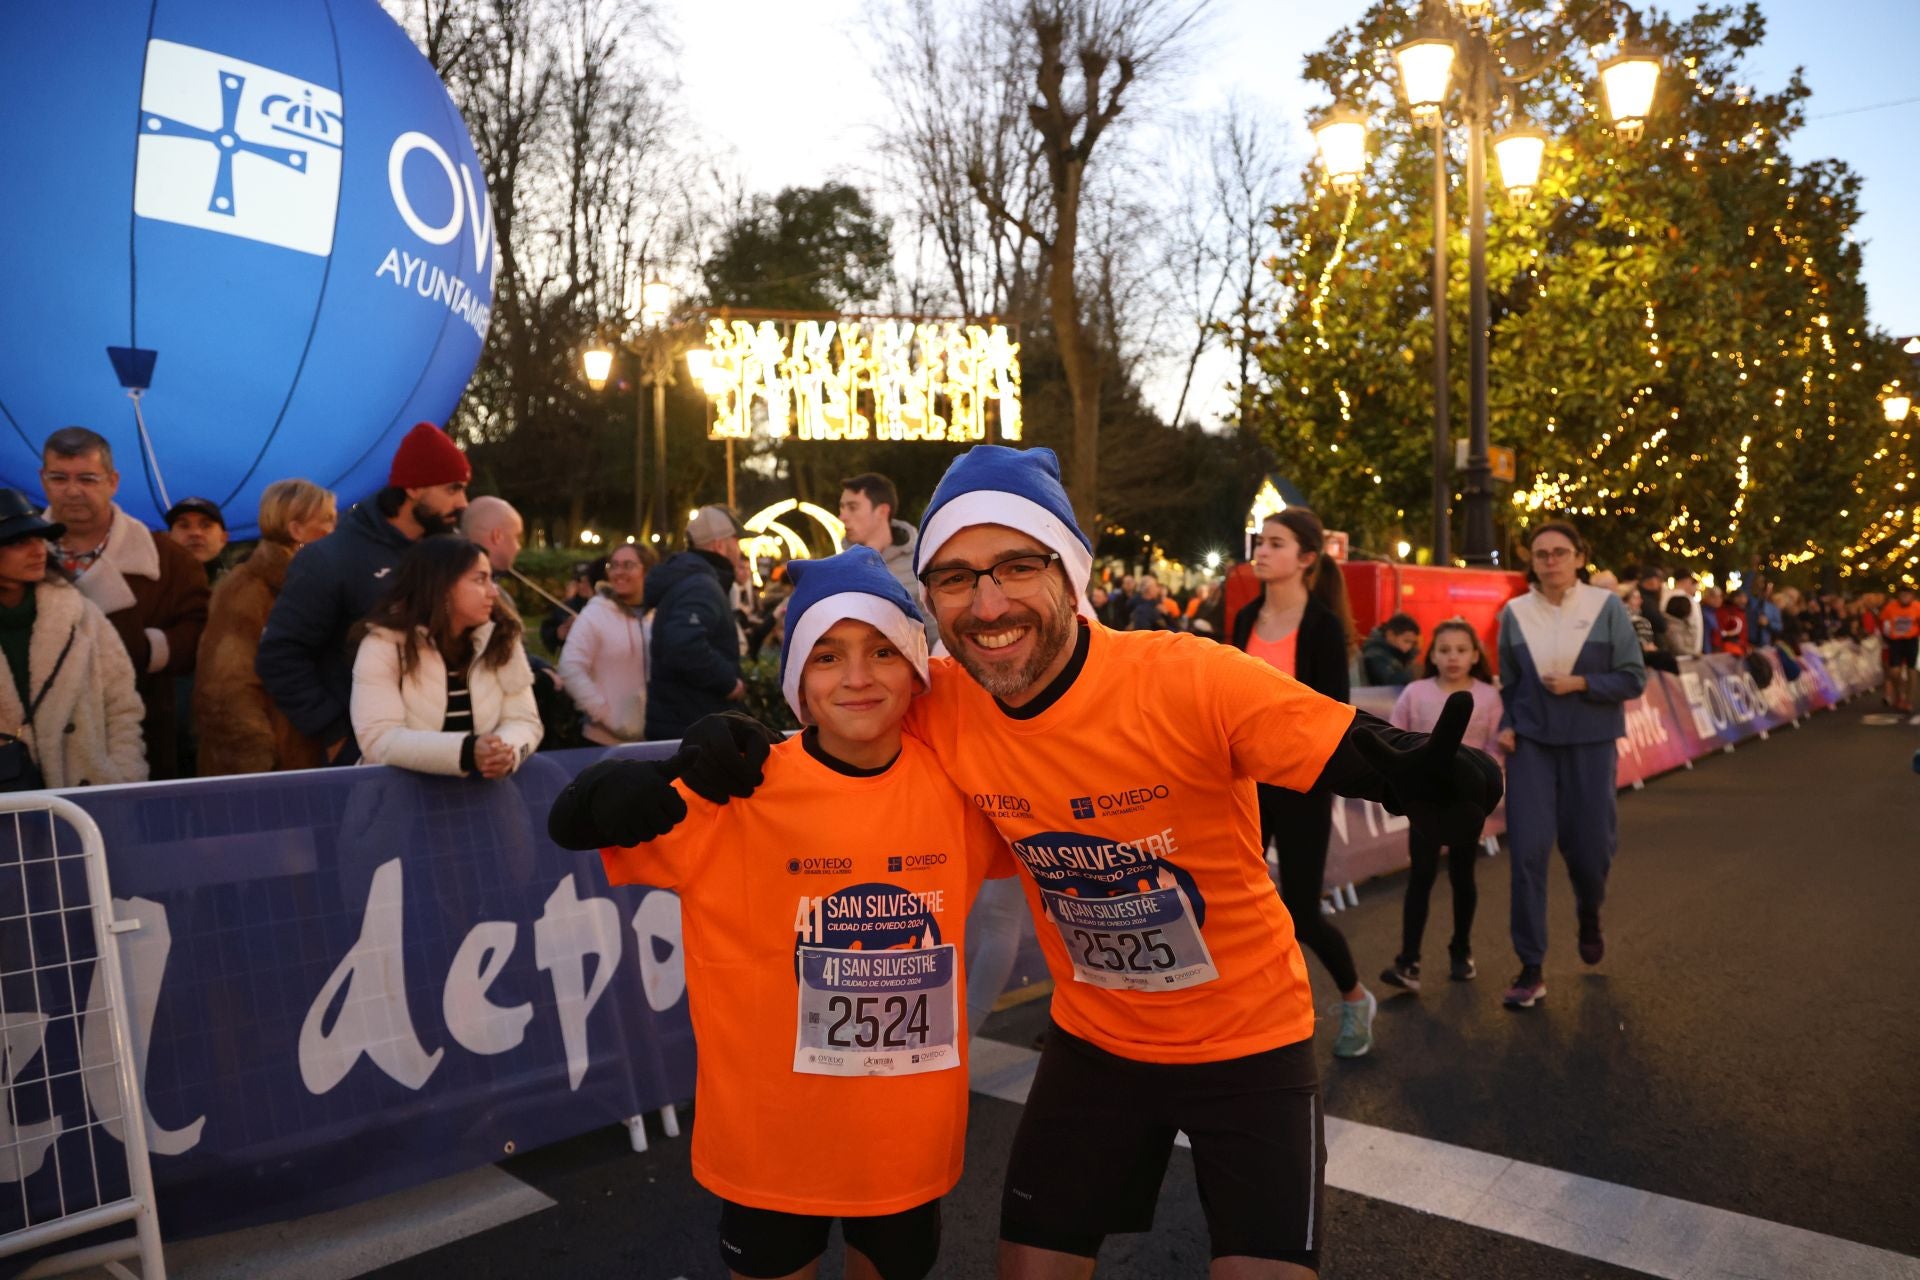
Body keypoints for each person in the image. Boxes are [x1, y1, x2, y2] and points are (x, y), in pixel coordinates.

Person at [683, 446, 1500, 1277]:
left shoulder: (1184, 677)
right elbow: (844, 702)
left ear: (1070, 576)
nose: (988, 602)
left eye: (1016, 565)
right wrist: (734, 746)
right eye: (956, 578)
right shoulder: (944, 698)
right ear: (931, 599)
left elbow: (1333, 740)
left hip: (1247, 1041)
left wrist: (1412, 769)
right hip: (1097, 1044)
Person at [547, 547, 1012, 1280]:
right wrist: (631, 783)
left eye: (883, 651)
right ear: (796, 678)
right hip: (770, 1140)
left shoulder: (958, 788)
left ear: (918, 669)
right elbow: (577, 823)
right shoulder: (743, 788)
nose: (857, 678)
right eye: (826, 656)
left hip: (905, 1141)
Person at [1232, 508, 1376, 1057]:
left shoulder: (1321, 626)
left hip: (1300, 786)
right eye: (1260, 542)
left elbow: (1331, 716)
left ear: (1307, 558)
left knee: (1302, 911)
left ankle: (1356, 998)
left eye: (1276, 543)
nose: (1262, 551)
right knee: (1237, 904)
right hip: (1244, 785)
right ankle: (1252, 1019)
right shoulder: (1244, 616)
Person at [1495, 520, 1646, 1010]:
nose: (1551, 561)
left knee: (1589, 851)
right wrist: (1510, 720)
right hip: (1533, 745)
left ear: (1580, 557)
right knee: (1528, 853)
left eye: (1561, 552)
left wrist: (1581, 685)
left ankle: (1589, 911)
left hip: (1591, 741)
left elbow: (1633, 678)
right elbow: (1512, 684)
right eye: (1542, 555)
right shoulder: (1514, 613)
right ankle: (1531, 967)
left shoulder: (1607, 608)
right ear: (1531, 562)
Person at [258, 422, 471, 766]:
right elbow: (280, 655)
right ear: (414, 487)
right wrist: (336, 733)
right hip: (371, 755)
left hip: (451, 746)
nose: (463, 502)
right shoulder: (331, 557)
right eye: (452, 489)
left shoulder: (452, 552)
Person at [40, 427, 208, 780]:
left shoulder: (167, 559)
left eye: (87, 478)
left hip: (141, 732)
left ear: (112, 481)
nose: (72, 490)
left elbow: (199, 631)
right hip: (39, 746)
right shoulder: (17, 556)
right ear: (43, 480)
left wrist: (146, 650)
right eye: (59, 478)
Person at [349, 537, 541, 777]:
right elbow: (378, 738)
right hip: (398, 804)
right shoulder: (384, 644)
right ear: (441, 586)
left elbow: (525, 721)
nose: (494, 592)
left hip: (484, 800)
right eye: (480, 579)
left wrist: (505, 751)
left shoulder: (501, 639)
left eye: (492, 579)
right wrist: (466, 752)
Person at [1382, 621, 1503, 989]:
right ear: (1432, 655)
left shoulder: (1489, 696)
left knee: (1462, 877)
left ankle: (1461, 950)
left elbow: (1497, 749)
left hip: (1468, 806)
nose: (1453, 657)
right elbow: (1394, 737)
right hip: (1424, 803)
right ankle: (1409, 962)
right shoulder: (1415, 693)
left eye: (1461, 650)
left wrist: (1489, 794)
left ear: (1475, 656)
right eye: (1445, 650)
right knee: (1420, 877)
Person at [0, 489, 146, 789]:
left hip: (85, 799)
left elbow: (122, 705)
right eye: (19, 542)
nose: (38, 550)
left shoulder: (81, 615)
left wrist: (123, 775)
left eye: (40, 539)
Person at [194, 480, 337, 776]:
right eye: (327, 521)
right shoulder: (247, 589)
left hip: (313, 757)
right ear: (296, 530)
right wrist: (257, 770)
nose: (335, 531)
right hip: (275, 769)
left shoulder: (317, 584)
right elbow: (227, 689)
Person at [643, 505, 748, 741]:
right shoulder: (700, 585)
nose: (739, 548)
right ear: (720, 544)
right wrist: (729, 683)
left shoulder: (693, 579)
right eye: (736, 540)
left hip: (683, 722)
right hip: (692, 727)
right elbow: (683, 645)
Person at [559, 542, 654, 745]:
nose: (619, 572)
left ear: (647, 571)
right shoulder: (595, 613)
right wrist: (603, 713)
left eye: (628, 565)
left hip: (653, 738)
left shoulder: (659, 613)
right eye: (614, 565)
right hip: (603, 741)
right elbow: (570, 667)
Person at [163, 496, 231, 582]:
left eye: (206, 525)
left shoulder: (241, 588)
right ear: (168, 539)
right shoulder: (150, 589)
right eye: (184, 525)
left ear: (223, 538)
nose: (195, 533)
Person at [1879, 584, 1920, 713]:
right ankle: (1899, 694)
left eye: (1907, 595)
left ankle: (1909, 700)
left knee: (1911, 670)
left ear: (1912, 596)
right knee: (1894, 671)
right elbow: (1884, 624)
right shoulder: (1890, 608)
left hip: (1911, 641)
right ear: (1898, 596)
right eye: (1902, 595)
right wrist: (1886, 638)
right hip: (1895, 642)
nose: (1905, 597)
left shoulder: (1917, 607)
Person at [1361, 614, 1421, 686]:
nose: (1409, 647)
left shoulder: (1401, 653)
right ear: (1390, 635)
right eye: (1406, 641)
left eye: (1412, 643)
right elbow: (1391, 680)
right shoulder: (1374, 655)